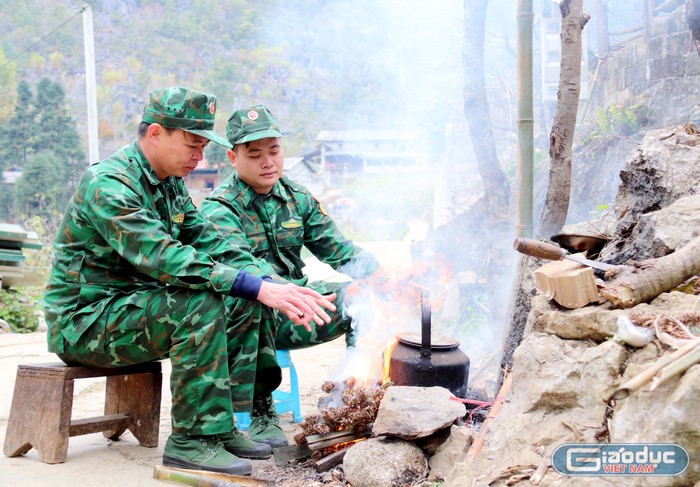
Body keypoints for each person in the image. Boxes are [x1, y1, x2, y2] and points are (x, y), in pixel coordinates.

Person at [42, 87, 335, 476]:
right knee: (202, 302)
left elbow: (210, 240)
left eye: (203, 147)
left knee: (243, 296)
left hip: (133, 312)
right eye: (192, 145)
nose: (199, 157)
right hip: (85, 322)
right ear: (156, 133)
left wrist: (267, 281)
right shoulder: (109, 183)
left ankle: (219, 427)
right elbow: (166, 256)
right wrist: (253, 284)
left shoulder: (169, 184)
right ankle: (191, 441)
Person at [199, 104, 384, 448]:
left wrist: (386, 279)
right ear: (232, 157)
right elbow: (245, 267)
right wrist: (287, 294)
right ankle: (260, 410)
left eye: (274, 151)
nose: (268, 162)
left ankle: (352, 396)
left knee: (363, 294)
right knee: (254, 297)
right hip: (244, 322)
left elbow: (340, 250)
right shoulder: (219, 208)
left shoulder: (297, 198)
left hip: (300, 311)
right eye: (255, 155)